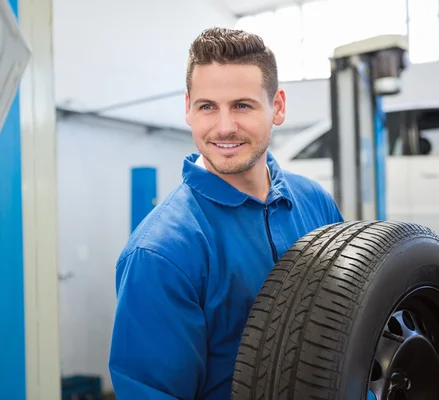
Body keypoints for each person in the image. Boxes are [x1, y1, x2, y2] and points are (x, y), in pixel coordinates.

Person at [107, 27, 344, 399]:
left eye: (242, 105)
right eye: (207, 107)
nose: (224, 127)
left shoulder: (315, 202)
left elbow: (351, 320)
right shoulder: (160, 254)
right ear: (188, 108)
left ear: (277, 107)